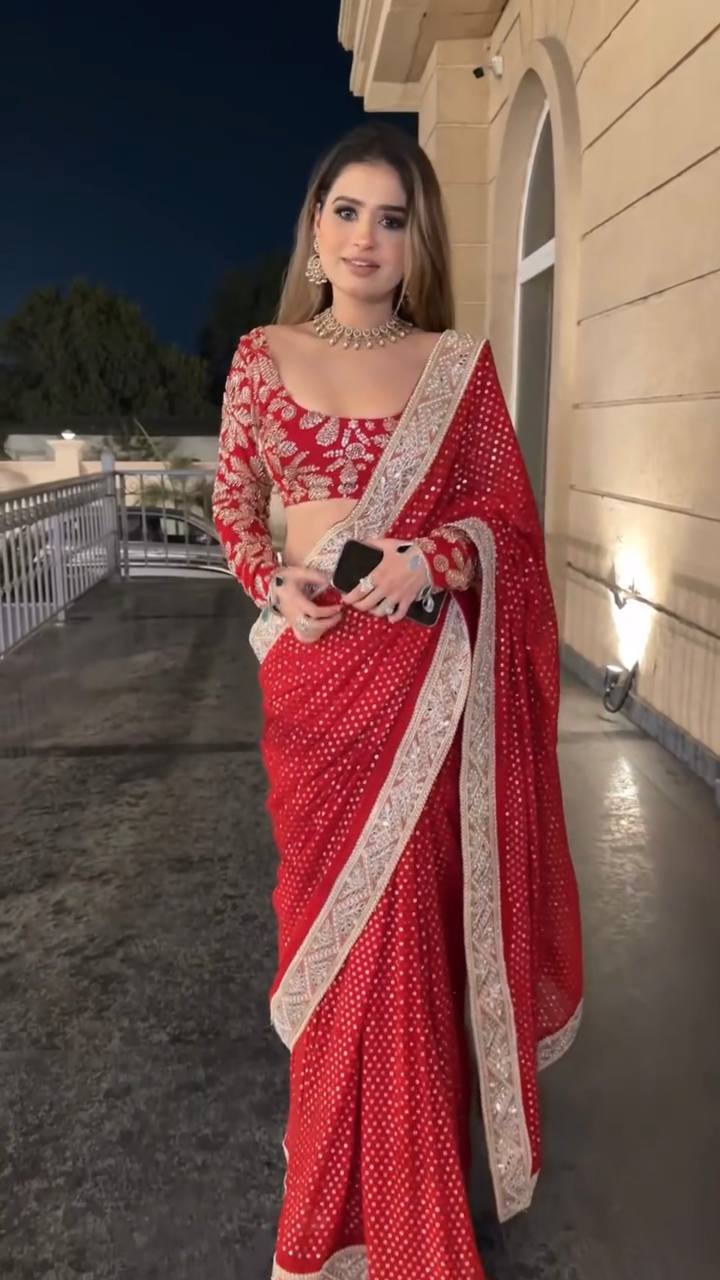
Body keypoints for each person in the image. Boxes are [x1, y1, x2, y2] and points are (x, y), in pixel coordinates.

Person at [212, 122, 583, 1280]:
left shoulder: (457, 367)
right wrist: (276, 581)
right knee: (331, 946)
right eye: (346, 211)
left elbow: (509, 530)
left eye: (392, 217)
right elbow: (234, 506)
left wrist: (438, 554)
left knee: (408, 942)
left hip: (425, 685)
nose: (365, 237)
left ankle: (416, 1222)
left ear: (419, 240)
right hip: (314, 684)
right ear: (314, 227)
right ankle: (329, 1204)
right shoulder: (261, 355)